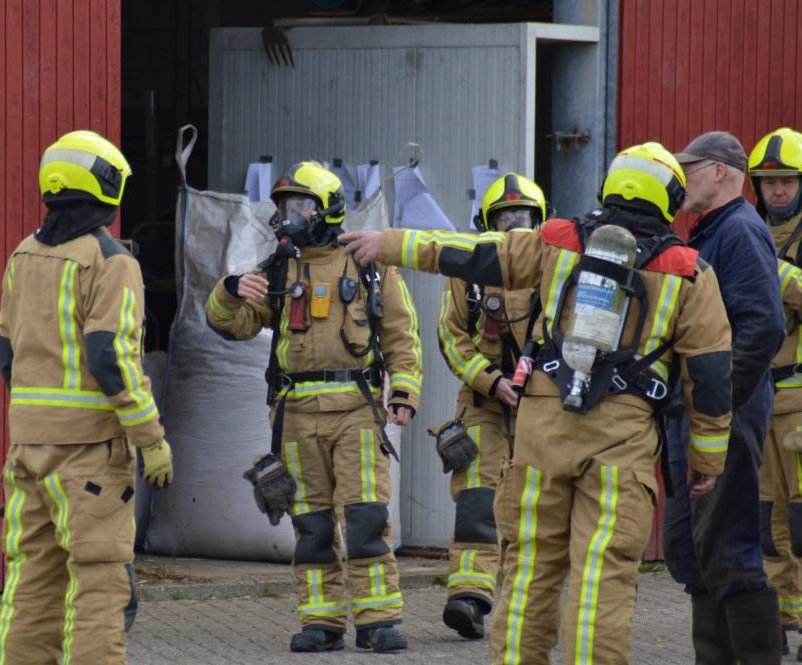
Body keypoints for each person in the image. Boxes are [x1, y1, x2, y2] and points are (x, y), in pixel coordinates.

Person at [340, 143, 734, 664]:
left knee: (530, 568)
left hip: (543, 425)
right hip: (622, 441)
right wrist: (706, 461)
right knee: (601, 574)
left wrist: (387, 243)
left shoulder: (556, 241)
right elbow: (709, 376)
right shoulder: (689, 272)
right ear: (671, 199)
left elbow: (470, 253)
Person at [205, 161, 423, 653]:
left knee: (366, 518)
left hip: (356, 412)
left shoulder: (368, 264)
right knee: (312, 524)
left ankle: (378, 621)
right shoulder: (278, 269)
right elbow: (232, 324)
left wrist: (404, 394)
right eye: (284, 207)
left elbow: (401, 339)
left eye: (301, 206)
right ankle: (320, 623)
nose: (289, 217)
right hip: (296, 418)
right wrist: (230, 290)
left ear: (327, 211)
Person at [0, 130, 174, 665]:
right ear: (105, 188)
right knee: (98, 587)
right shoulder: (112, 262)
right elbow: (110, 359)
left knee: (31, 584)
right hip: (90, 454)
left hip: (27, 448)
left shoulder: (23, 255)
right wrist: (152, 438)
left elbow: (7, 352)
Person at [656, 130, 787, 664]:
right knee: (694, 549)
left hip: (723, 419)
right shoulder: (711, 232)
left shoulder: (738, 232)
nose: (680, 178)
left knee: (729, 549)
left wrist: (715, 403)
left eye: (689, 168)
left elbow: (763, 326)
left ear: (720, 171)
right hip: (704, 416)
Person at [435, 173, 546, 640]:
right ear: (487, 222)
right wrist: (491, 379)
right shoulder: (469, 269)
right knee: (478, 501)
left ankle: (526, 602)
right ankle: (469, 598)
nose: (514, 225)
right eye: (504, 217)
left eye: (523, 217)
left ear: (541, 221)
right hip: (483, 405)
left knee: (535, 505)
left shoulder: (557, 267)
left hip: (542, 406)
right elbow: (451, 336)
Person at [748, 128, 802, 657]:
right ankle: (783, 615)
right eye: (768, 183)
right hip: (762, 396)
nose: (778, 191)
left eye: (787, 181)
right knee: (769, 519)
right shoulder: (751, 230)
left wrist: (772, 269)